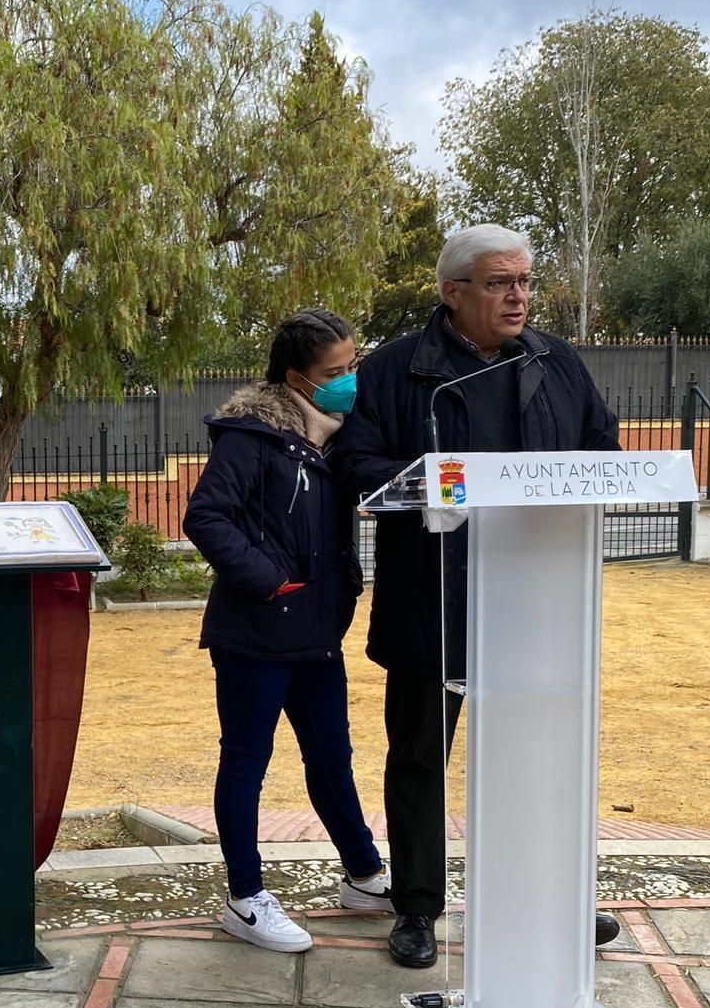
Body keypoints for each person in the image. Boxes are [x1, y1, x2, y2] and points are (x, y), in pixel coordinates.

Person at [331, 224, 624, 968]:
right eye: (499, 283)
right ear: (452, 292)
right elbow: (355, 464)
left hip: (536, 601)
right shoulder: (398, 370)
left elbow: (602, 448)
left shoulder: (555, 361)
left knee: (538, 757)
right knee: (419, 760)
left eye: (524, 282)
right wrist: (439, 483)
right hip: (433, 601)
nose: (518, 296)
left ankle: (547, 898)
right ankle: (418, 909)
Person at [183, 309, 391, 953]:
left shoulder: (337, 439)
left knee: (332, 758)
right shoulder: (253, 437)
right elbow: (206, 516)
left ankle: (363, 875)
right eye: (336, 371)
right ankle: (245, 898)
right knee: (246, 762)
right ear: (297, 378)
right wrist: (269, 580)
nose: (350, 380)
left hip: (317, 632)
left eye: (354, 365)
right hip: (255, 632)